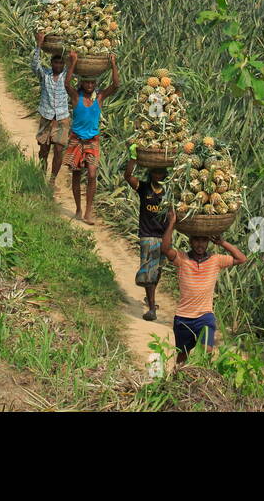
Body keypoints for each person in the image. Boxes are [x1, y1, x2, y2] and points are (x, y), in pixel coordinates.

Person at [160, 209, 248, 364]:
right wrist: (172, 224)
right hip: (183, 318)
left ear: (208, 242)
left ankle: (205, 383)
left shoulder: (215, 260)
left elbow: (241, 259)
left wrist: (222, 243)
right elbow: (165, 249)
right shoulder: (182, 259)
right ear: (190, 241)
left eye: (203, 240)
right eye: (196, 240)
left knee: (207, 352)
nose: (200, 244)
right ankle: (176, 381)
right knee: (182, 357)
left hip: (205, 316)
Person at [63, 49, 120, 225]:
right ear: (82, 83)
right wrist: (73, 63)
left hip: (92, 140)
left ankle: (88, 211)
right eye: (87, 83)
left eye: (92, 83)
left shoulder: (99, 97)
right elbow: (66, 84)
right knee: (76, 173)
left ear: (95, 84)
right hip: (76, 139)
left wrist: (113, 65)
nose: (90, 86)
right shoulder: (76, 96)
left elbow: (116, 86)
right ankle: (78, 209)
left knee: (93, 174)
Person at [124, 158, 169, 321]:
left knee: (158, 271)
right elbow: (128, 176)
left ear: (165, 174)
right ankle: (151, 308)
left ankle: (151, 298)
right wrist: (132, 159)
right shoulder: (144, 188)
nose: (158, 175)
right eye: (155, 172)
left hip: (164, 237)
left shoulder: (169, 192)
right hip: (148, 236)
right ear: (150, 173)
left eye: (161, 172)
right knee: (149, 272)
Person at [32, 32, 71, 187]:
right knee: (44, 149)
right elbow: (35, 65)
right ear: (51, 63)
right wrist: (39, 44)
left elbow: (73, 64)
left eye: (61, 63)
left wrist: (70, 51)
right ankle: (41, 173)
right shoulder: (45, 75)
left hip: (62, 118)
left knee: (59, 150)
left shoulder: (66, 76)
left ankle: (53, 179)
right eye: (55, 63)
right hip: (47, 116)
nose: (58, 65)